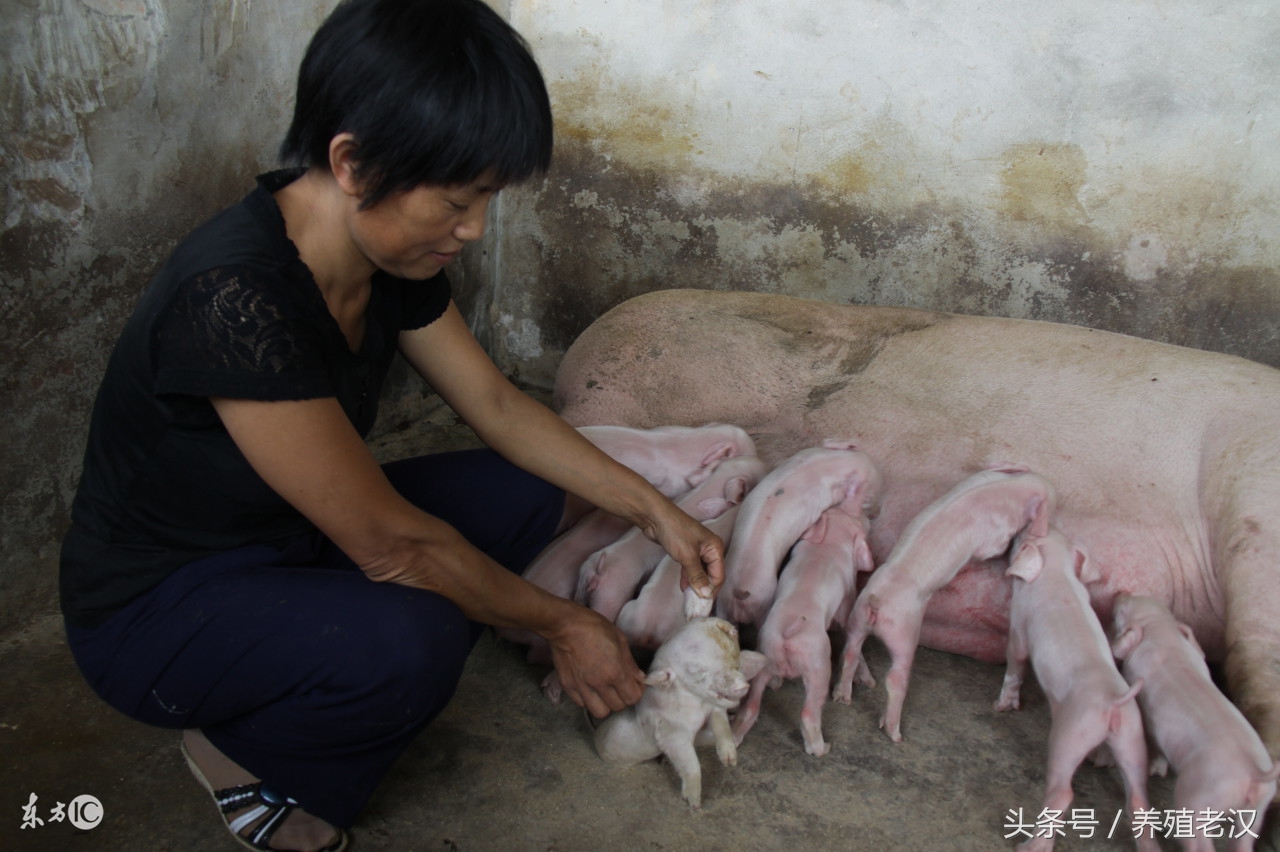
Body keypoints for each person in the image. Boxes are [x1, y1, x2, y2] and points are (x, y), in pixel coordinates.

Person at [57, 1, 725, 849]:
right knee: (417, 631)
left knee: (531, 488)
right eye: (455, 200)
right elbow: (394, 548)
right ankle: (240, 751)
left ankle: (320, 639)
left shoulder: (388, 256)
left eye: (486, 198)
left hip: (289, 533)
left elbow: (496, 405)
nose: (473, 228)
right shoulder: (233, 296)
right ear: (351, 162)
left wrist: (654, 511)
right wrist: (567, 623)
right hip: (161, 609)